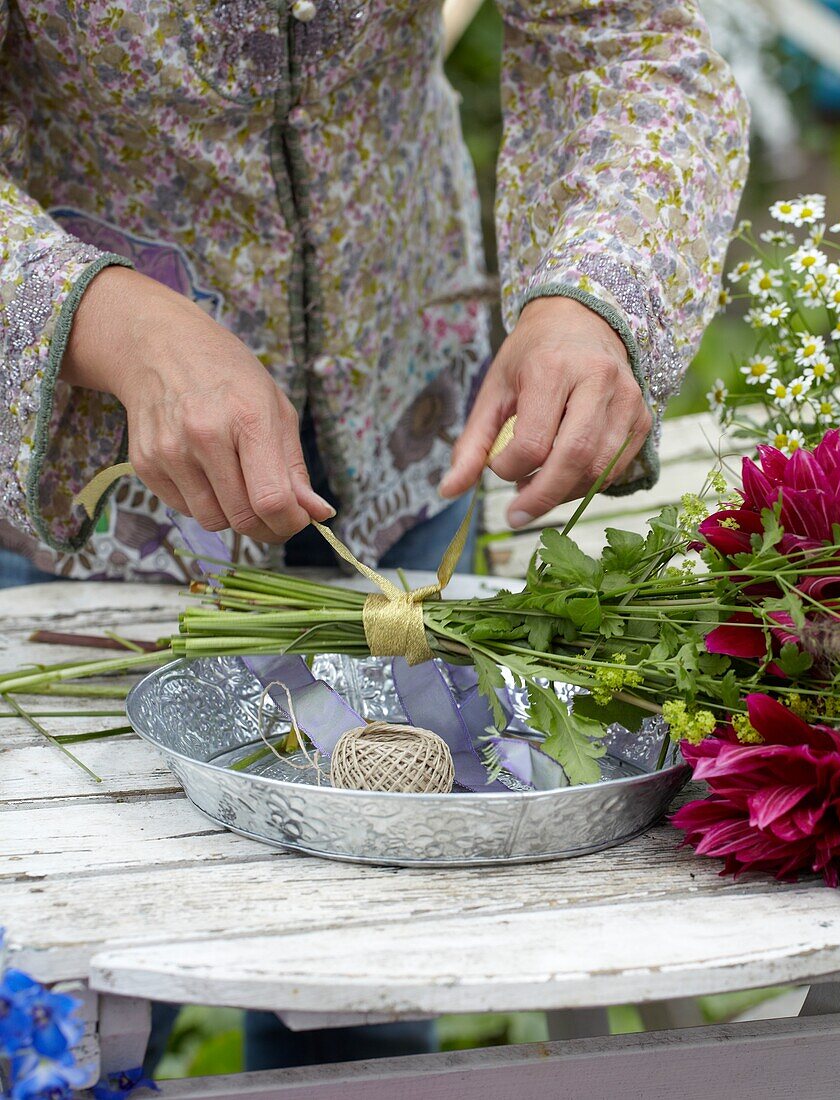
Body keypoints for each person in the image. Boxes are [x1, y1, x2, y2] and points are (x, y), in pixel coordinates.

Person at [0, 0, 749, 1069]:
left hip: (411, 416)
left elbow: (623, 40)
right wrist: (107, 321)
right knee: (72, 981)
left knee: (381, 980)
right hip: (90, 497)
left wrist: (595, 293)